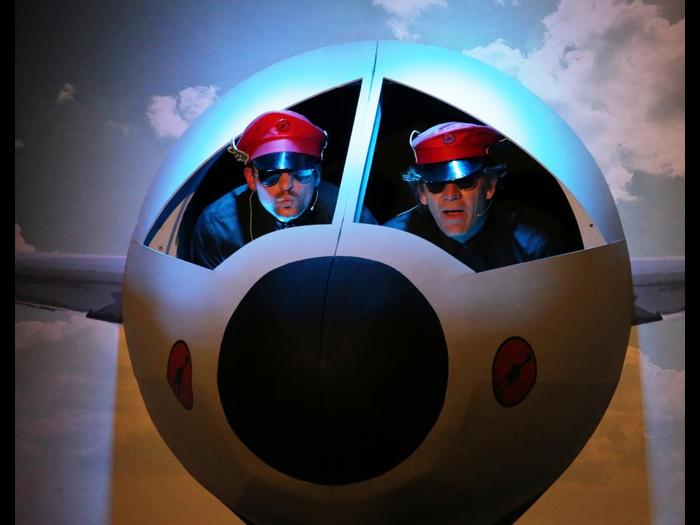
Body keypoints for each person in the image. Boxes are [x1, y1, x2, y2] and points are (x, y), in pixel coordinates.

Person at [384, 122, 582, 271]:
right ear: (422, 194)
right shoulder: (392, 246)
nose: (451, 195)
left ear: (489, 186)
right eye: (436, 184)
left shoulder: (538, 243)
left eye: (465, 182)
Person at [189, 110, 373, 268]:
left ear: (317, 175)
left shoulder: (350, 216)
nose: (286, 186)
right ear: (251, 178)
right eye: (271, 175)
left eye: (300, 173)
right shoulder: (216, 228)